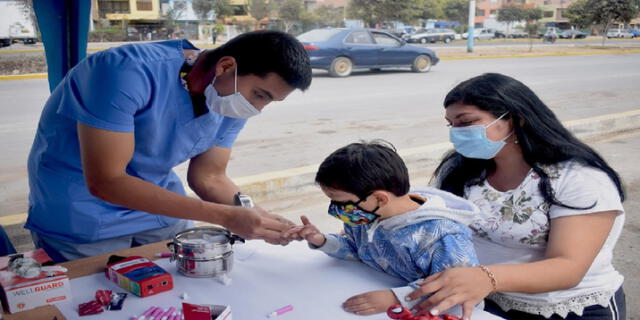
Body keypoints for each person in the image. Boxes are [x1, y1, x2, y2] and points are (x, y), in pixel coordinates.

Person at [26, 30, 312, 262]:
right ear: (226, 66)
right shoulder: (125, 71)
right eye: (260, 95)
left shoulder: (229, 99)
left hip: (159, 208)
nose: (258, 108)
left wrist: (259, 217)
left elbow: (209, 177)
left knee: (178, 291)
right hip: (84, 212)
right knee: (99, 299)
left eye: (269, 101)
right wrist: (227, 216)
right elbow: (107, 181)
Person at [405, 73, 626, 320]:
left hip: (566, 308)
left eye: (465, 122)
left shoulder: (578, 179)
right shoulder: (460, 169)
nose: (456, 133)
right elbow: (440, 222)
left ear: (516, 120)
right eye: (451, 125)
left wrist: (486, 277)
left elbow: (568, 267)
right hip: (484, 300)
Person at [285, 141, 479, 315]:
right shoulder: (367, 217)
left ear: (380, 198)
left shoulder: (442, 236)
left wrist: (396, 297)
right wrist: (323, 241)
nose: (337, 209)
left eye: (343, 203)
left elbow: (455, 287)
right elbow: (357, 249)